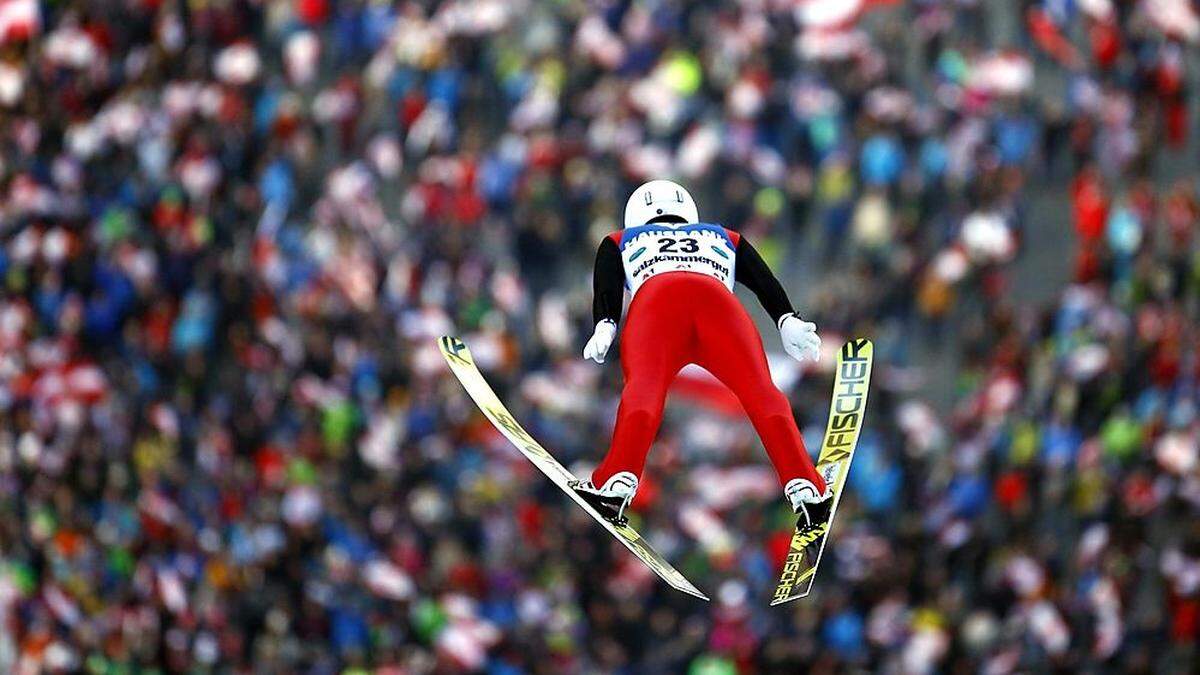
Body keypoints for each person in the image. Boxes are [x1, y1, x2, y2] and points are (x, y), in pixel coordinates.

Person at [571, 179, 830, 531]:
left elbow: (607, 282)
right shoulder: (724, 235)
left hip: (657, 303)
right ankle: (805, 485)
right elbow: (761, 278)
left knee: (643, 391)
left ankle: (617, 481)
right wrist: (787, 319)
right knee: (762, 392)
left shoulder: (620, 239)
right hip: (718, 306)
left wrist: (605, 324)